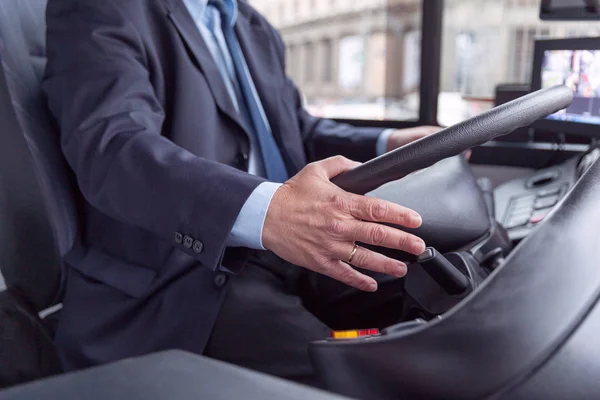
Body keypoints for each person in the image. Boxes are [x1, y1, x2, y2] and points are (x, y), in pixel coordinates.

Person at [42, 0, 438, 386]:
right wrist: (269, 213)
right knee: (358, 375)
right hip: (184, 275)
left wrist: (388, 141)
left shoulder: (252, 25)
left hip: (291, 251)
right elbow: (114, 148)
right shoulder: (102, 7)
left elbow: (296, 133)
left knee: (434, 295)